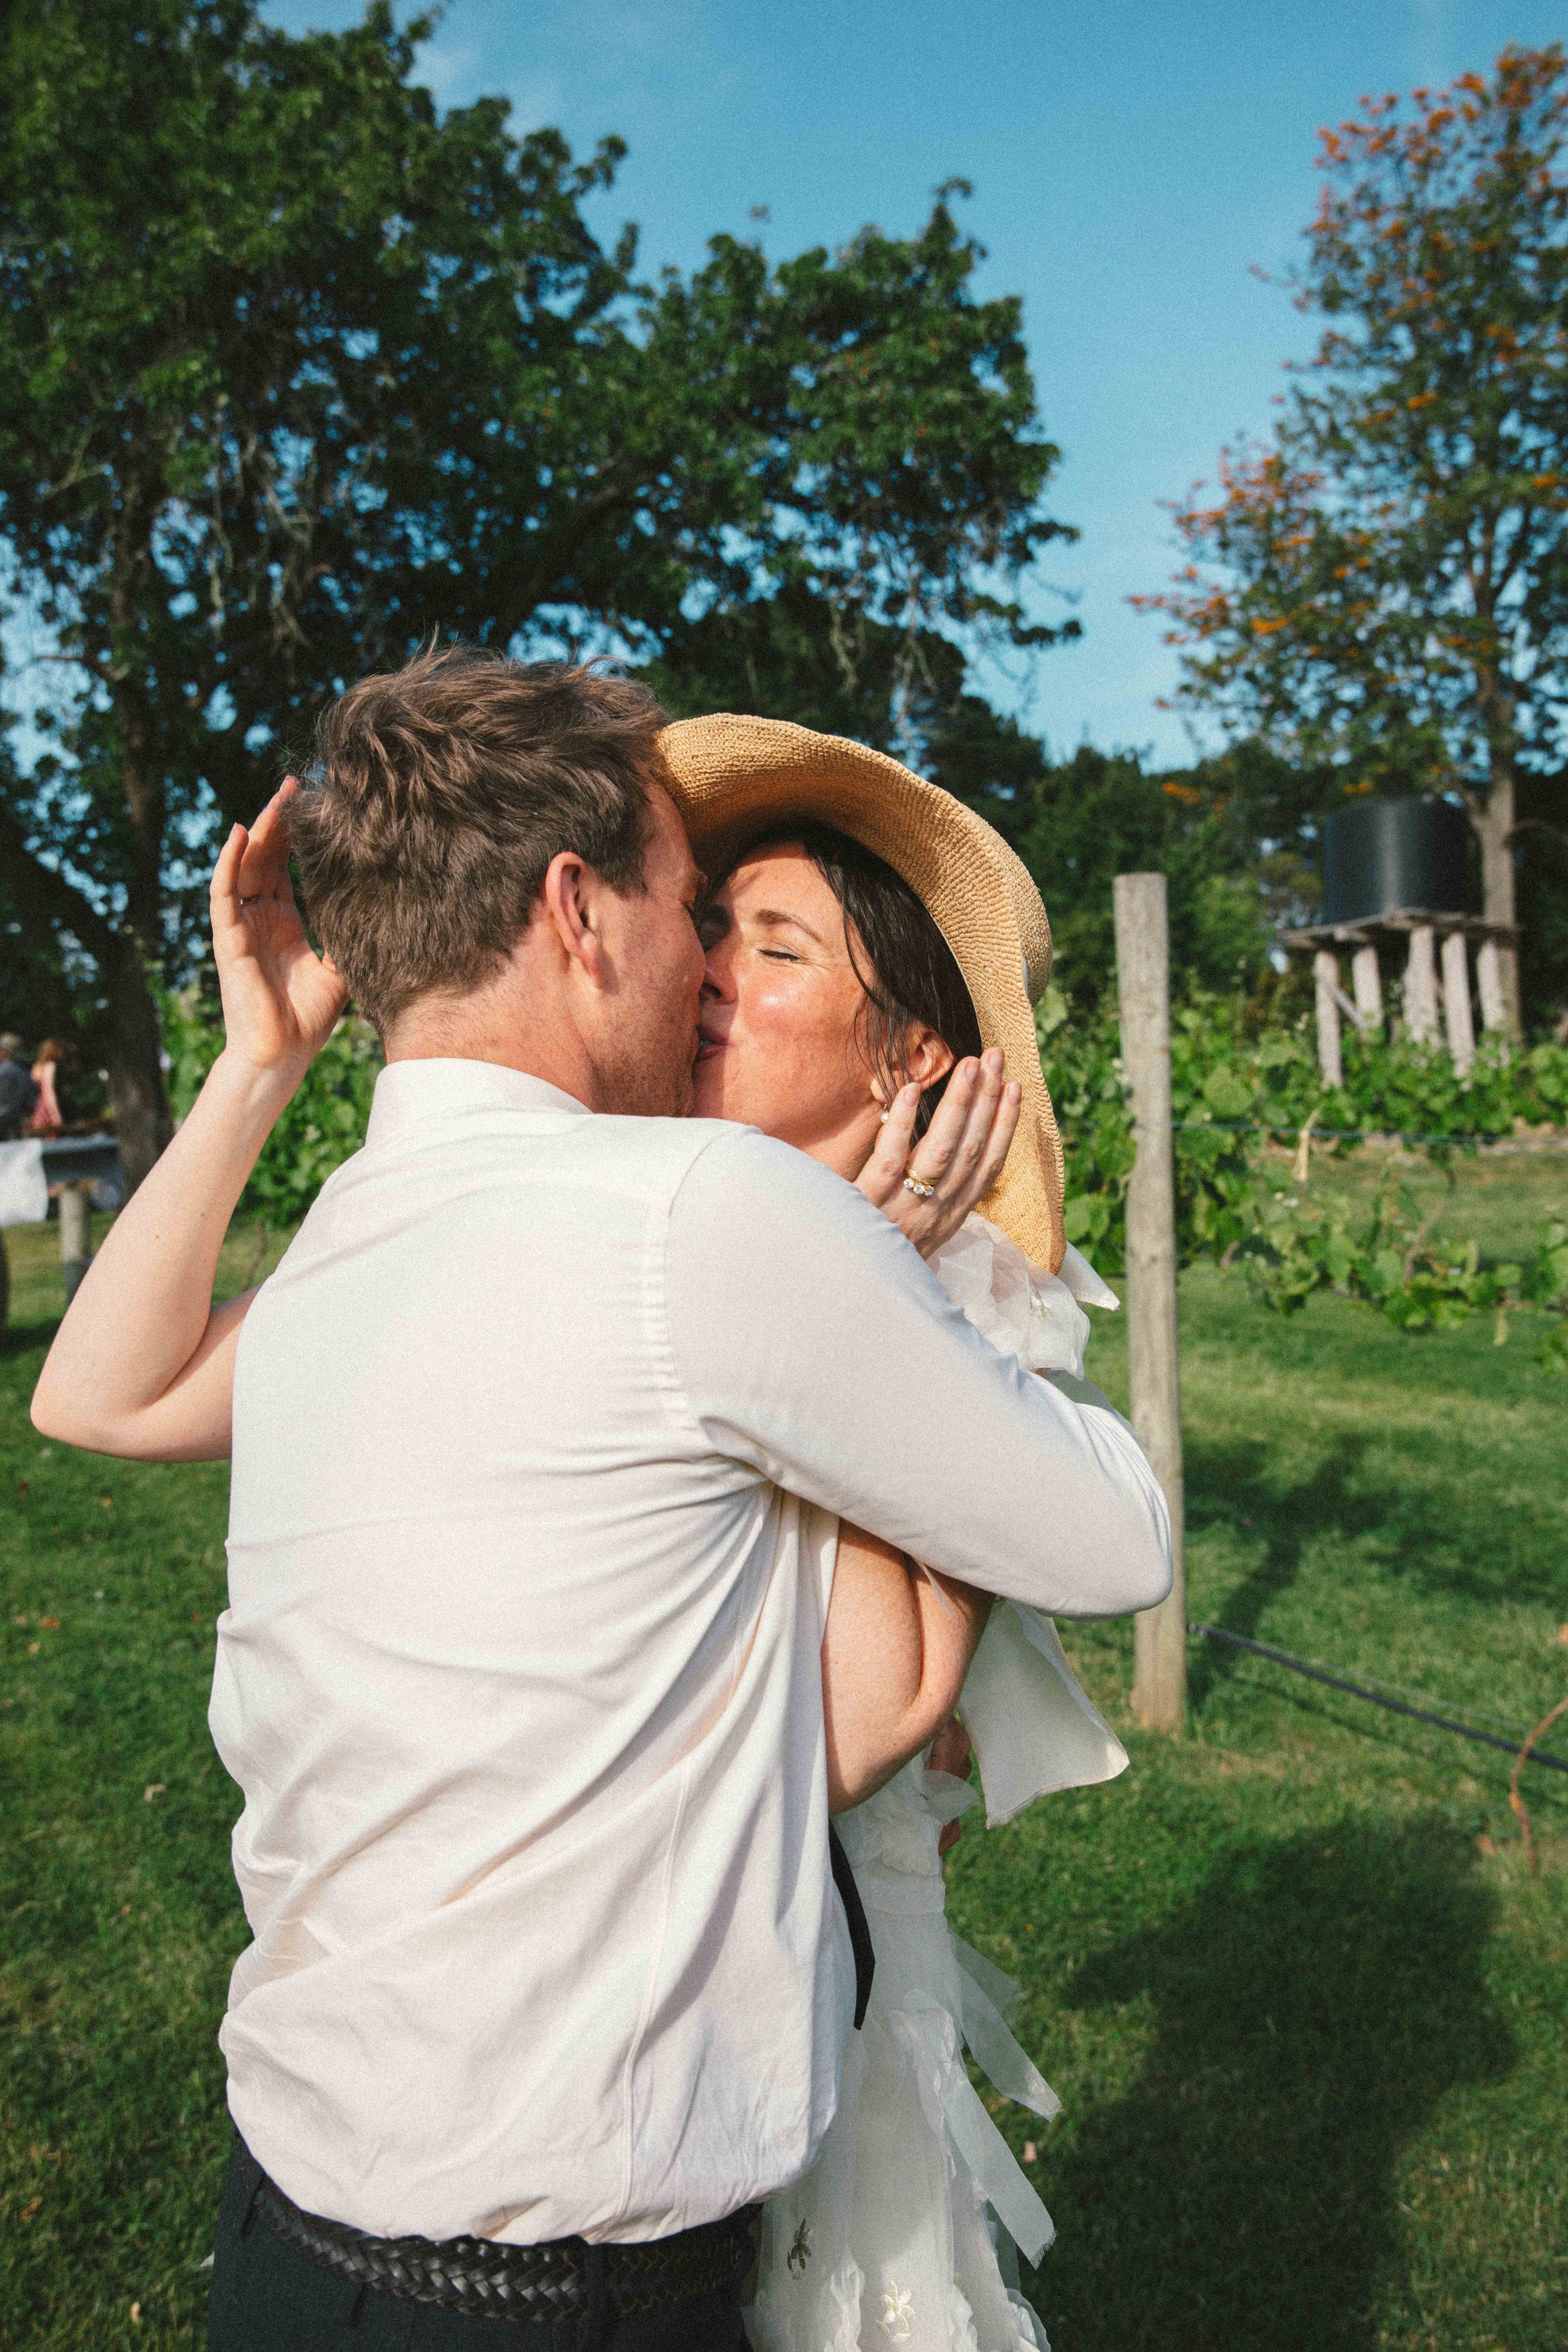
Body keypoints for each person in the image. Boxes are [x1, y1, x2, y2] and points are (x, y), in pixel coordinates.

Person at [31, 650, 1170, 2352]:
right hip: (549, 2300)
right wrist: (897, 1266)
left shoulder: (359, 1221)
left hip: (283, 2238)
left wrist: (259, 1061)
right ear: (579, 908)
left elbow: (93, 1390)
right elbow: (1113, 1544)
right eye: (686, 900)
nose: (698, 955)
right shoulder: (697, 1213)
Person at [659, 717, 1136, 2352]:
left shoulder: (966, 1305)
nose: (710, 967)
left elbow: (893, 1711)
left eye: (772, 942)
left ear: (905, 1055)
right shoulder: (650, 1220)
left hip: (819, 1905)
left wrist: (869, 1280)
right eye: (708, 927)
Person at [27, 1037, 73, 1137]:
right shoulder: (51, 1066)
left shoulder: (37, 1067)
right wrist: (56, 1117)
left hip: (38, 1109)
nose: (61, 1053)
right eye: (59, 1050)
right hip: (49, 1109)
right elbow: (49, 1092)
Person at [0, 1031, 39, 1140]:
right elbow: (32, 1100)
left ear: (4, 1052)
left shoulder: (3, 1071)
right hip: (18, 1123)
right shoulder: (24, 1071)